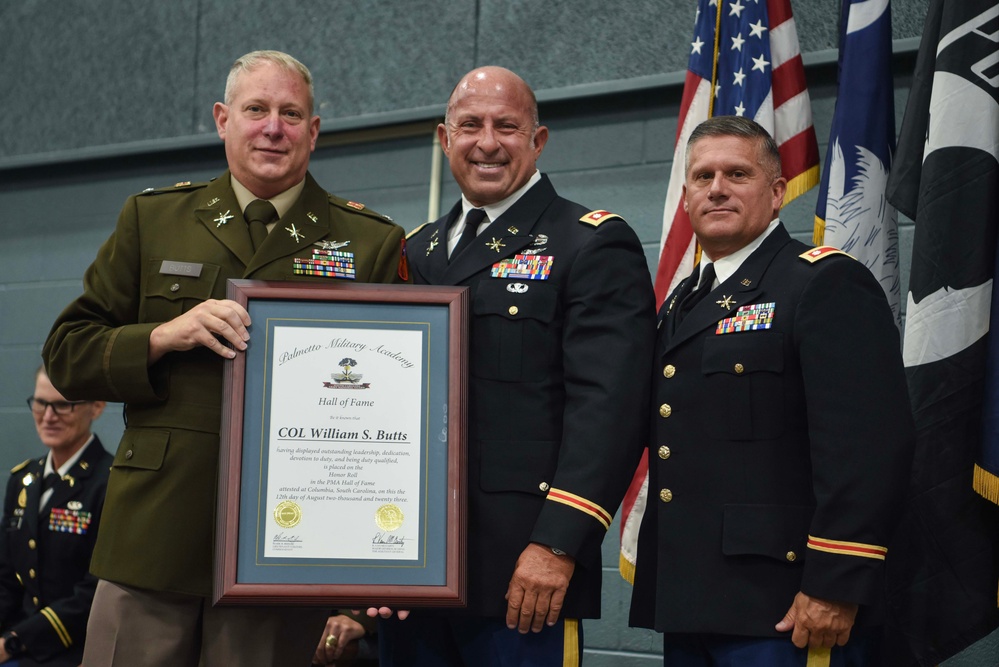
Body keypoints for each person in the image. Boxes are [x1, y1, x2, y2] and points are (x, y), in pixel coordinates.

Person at [41, 50, 407, 666]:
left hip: (288, 553)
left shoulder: (369, 242)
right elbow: (67, 353)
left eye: (291, 113)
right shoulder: (153, 219)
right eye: (256, 109)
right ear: (222, 119)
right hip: (153, 539)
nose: (273, 127)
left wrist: (376, 564)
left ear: (313, 131)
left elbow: (400, 409)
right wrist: (161, 334)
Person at [381, 66, 656, 666]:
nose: (487, 142)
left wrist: (558, 544)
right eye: (470, 125)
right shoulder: (417, 250)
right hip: (410, 567)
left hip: (522, 573)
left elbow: (607, 412)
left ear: (539, 140)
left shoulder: (589, 243)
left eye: (507, 126)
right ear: (443, 137)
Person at [628, 115, 915, 665]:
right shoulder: (684, 300)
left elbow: (870, 448)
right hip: (693, 600)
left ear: (778, 191)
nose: (716, 188)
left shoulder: (823, 283)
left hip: (789, 605)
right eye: (701, 176)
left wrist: (836, 582)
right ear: (685, 196)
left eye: (737, 173)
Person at [0, 367, 111, 666]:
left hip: (74, 650)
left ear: (97, 406)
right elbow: (7, 578)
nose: (48, 416)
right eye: (40, 402)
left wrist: (14, 641)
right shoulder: (22, 480)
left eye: (62, 404)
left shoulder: (111, 484)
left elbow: (96, 592)